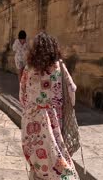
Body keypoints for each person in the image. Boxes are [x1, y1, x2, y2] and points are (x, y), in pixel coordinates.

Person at [19, 32, 79, 179]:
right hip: (53, 119)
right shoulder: (59, 67)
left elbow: (22, 95)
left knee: (38, 158)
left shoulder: (28, 69)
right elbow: (72, 90)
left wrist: (33, 107)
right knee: (55, 155)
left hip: (31, 119)